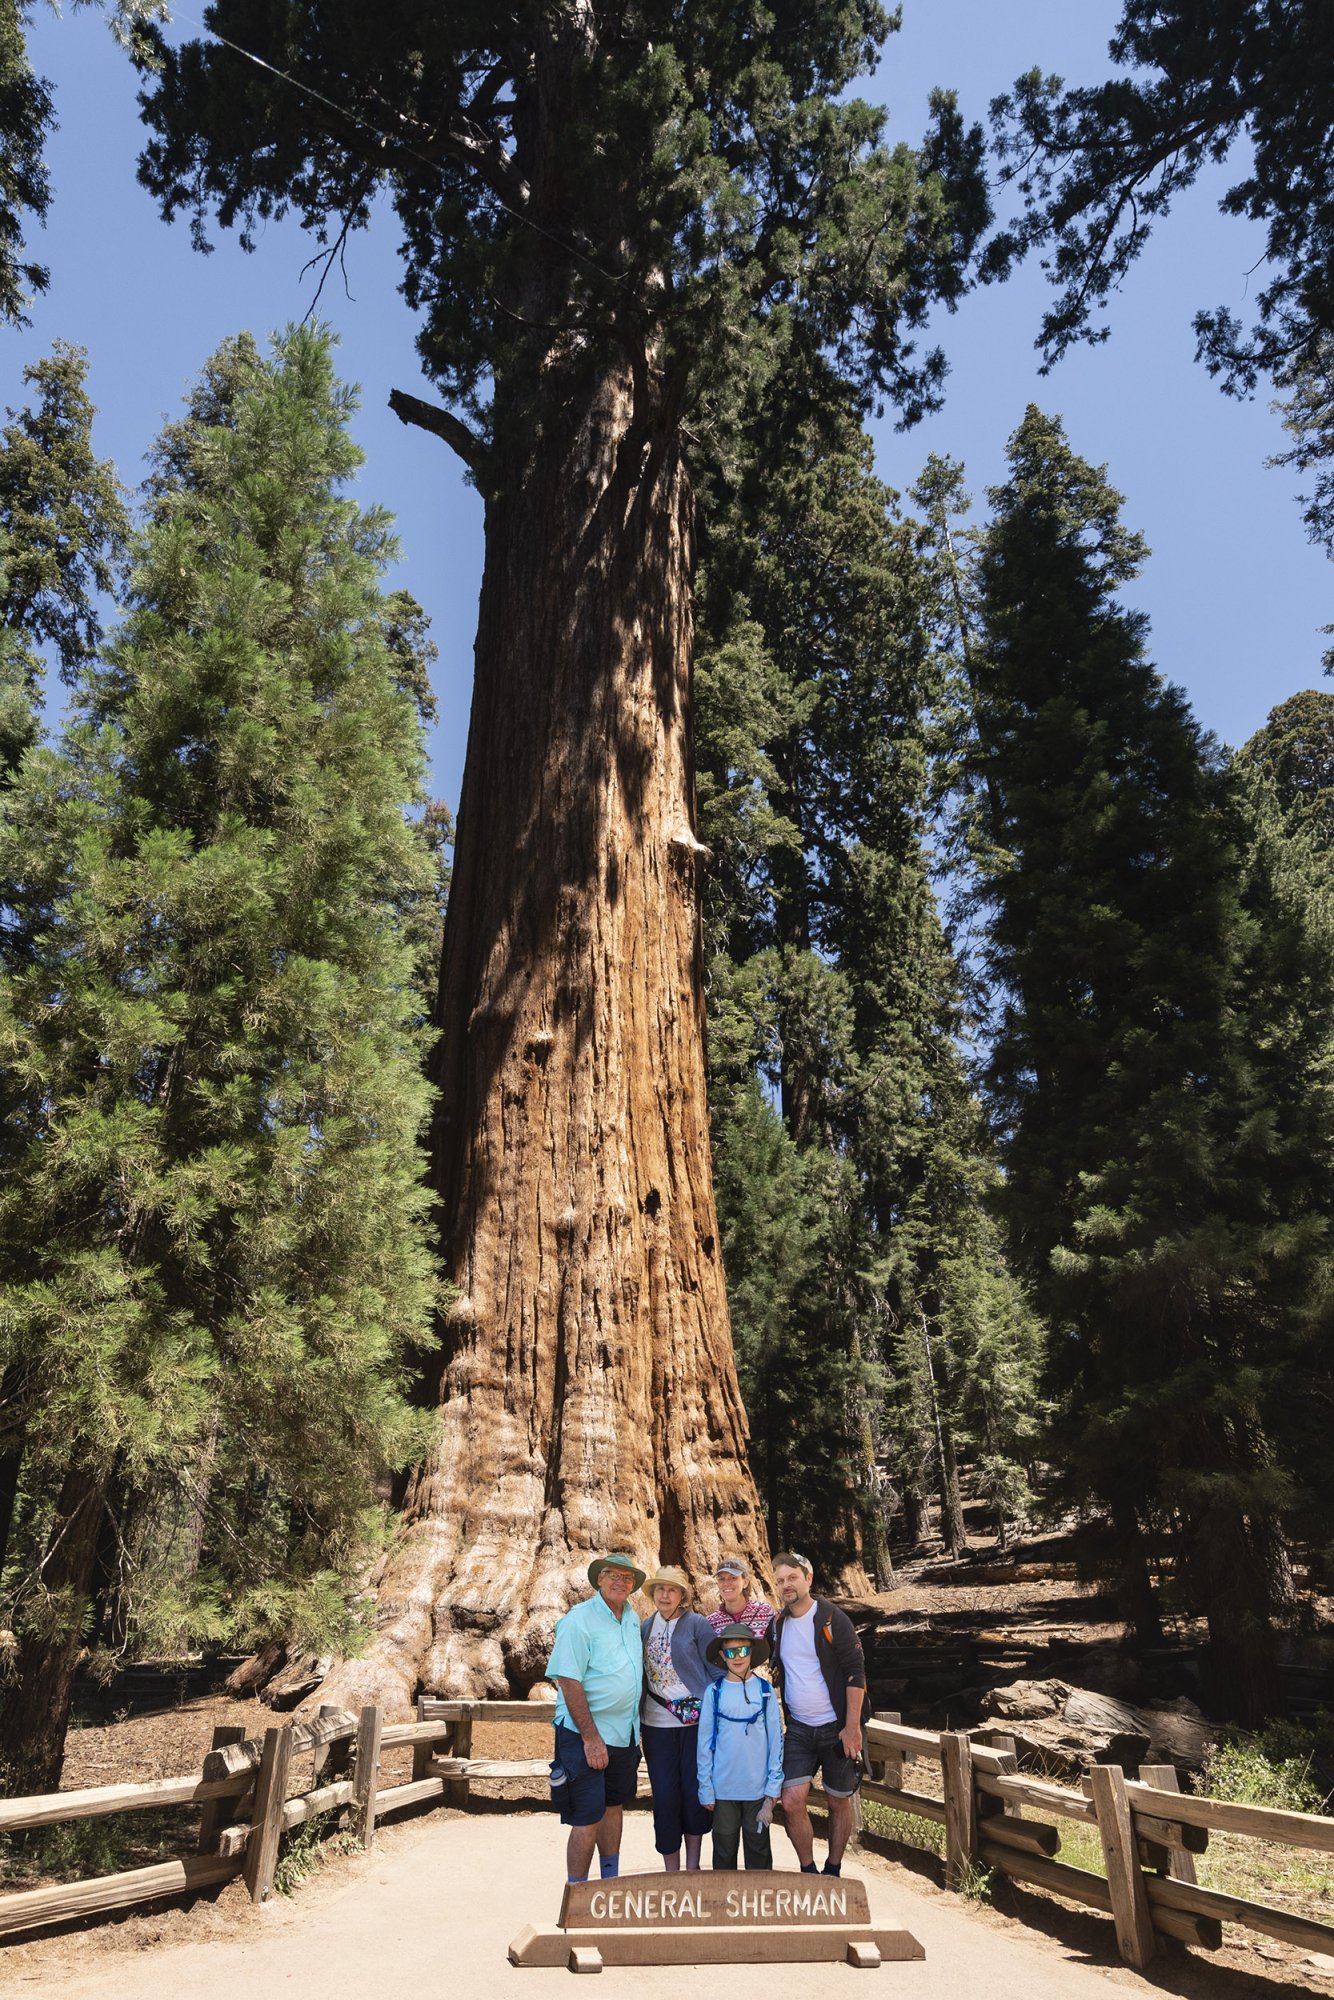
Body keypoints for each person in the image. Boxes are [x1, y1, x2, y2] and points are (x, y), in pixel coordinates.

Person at [545, 1552, 646, 1885]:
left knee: (614, 1807)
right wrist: (591, 1738)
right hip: (585, 1734)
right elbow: (569, 1679)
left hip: (624, 1734)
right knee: (587, 1817)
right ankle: (576, 1894)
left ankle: (609, 1884)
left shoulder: (632, 1618)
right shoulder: (579, 1620)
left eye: (626, 1577)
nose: (620, 1582)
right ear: (599, 1579)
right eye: (612, 1575)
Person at [770, 1550, 866, 1878]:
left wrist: (852, 1726)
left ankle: (834, 1869)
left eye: (792, 1577)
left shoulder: (831, 1619)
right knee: (792, 1800)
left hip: (836, 1726)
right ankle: (808, 1871)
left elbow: (855, 1671)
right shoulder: (778, 1623)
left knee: (838, 1800)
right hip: (798, 1727)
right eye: (781, 1580)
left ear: (808, 1578)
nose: (786, 1585)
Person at [639, 1564, 718, 1872]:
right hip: (656, 1725)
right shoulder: (646, 1627)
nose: (665, 1594)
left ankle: (693, 1867)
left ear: (683, 1594)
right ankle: (671, 1870)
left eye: (672, 1589)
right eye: (660, 1588)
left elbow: (716, 1670)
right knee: (665, 1797)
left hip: (695, 1725)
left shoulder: (697, 1624)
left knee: (694, 1793)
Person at [696, 1622, 784, 1871]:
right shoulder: (714, 1692)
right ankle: (723, 1907)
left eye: (743, 1651)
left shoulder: (765, 1691)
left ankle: (760, 1908)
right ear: (723, 1656)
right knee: (723, 1851)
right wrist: (705, 1787)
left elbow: (776, 1742)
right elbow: (704, 1745)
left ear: (751, 1653)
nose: (737, 1657)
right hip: (723, 1790)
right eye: (731, 1652)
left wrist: (773, 1787)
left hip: (756, 1790)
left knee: (758, 1852)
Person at [706, 1556, 776, 1643]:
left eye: (733, 1578)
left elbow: (775, 1648)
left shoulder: (764, 1611)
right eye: (721, 1579)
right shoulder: (711, 1622)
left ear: (745, 1582)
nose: (726, 1583)